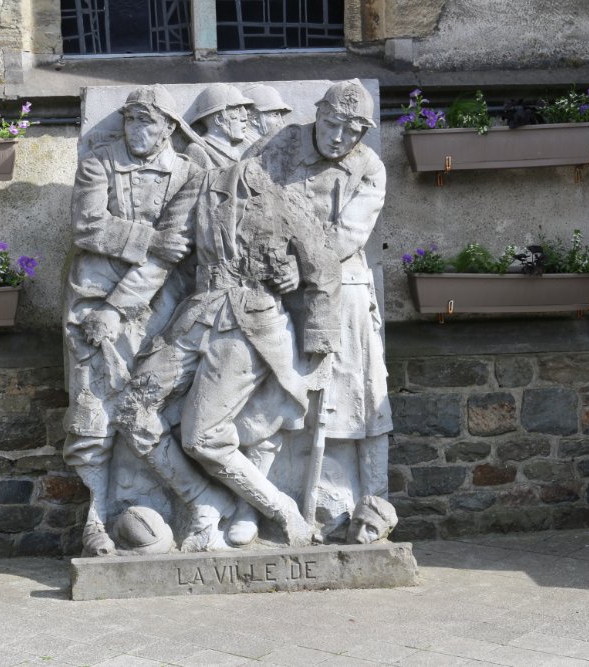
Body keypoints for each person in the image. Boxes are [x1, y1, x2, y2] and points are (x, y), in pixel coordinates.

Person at [99, 148, 342, 549]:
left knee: (202, 437)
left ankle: (281, 509)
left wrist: (320, 343)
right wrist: (114, 309)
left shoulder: (286, 198)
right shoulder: (203, 185)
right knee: (131, 410)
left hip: (250, 325)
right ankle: (204, 498)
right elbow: (164, 256)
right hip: (195, 316)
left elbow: (324, 269)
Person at [63, 84, 234, 556]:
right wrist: (148, 239)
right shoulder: (99, 160)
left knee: (150, 408)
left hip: (162, 301)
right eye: (131, 120)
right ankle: (97, 514)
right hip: (93, 296)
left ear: (168, 129)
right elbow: (87, 226)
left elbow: (181, 243)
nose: (138, 131)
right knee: (93, 406)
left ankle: (193, 505)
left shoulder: (189, 171)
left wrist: (124, 302)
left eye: (149, 121)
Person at [263, 80, 393, 540]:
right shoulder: (282, 146)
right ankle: (273, 500)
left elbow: (348, 234)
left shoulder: (369, 168)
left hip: (342, 285)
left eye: (352, 131)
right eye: (332, 124)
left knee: (355, 394)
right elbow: (255, 202)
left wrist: (301, 268)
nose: (339, 138)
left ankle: (367, 503)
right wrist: (276, 262)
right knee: (282, 394)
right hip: (279, 282)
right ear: (317, 114)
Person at [184, 83, 255, 169]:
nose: (245, 117)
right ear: (219, 119)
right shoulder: (197, 150)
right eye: (237, 110)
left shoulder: (246, 146)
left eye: (243, 109)